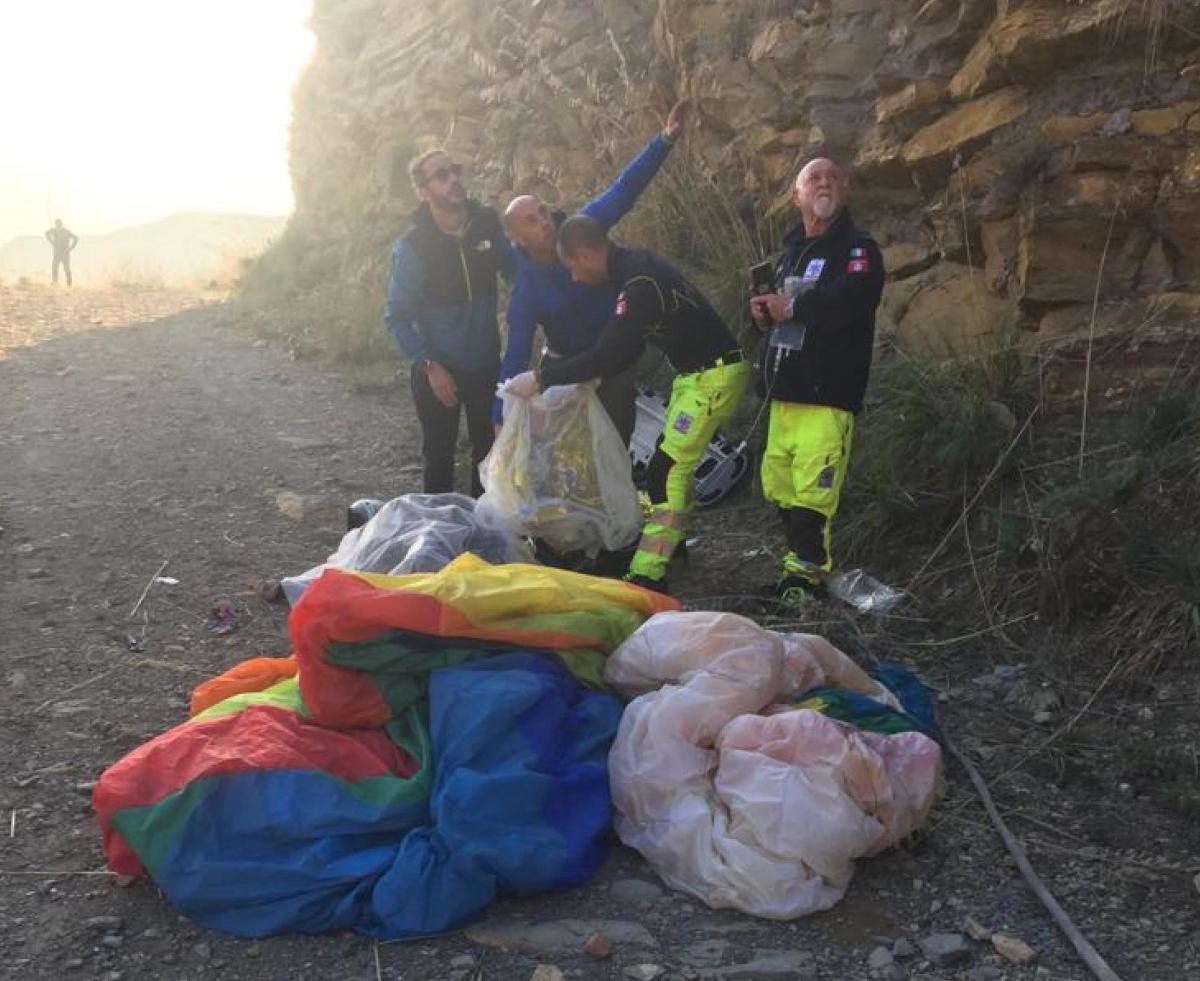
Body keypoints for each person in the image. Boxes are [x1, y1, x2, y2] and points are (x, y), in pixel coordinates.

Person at [507, 216, 750, 594]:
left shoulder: (637, 285)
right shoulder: (634, 268)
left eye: (571, 267)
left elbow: (609, 351)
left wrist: (542, 378)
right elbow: (629, 346)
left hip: (712, 378)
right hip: (697, 377)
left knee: (664, 472)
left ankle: (648, 574)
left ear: (586, 255)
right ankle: (673, 545)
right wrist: (591, 377)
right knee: (673, 468)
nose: (572, 277)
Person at [497, 100, 688, 445]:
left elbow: (623, 191)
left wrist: (664, 140)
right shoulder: (526, 288)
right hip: (565, 371)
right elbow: (516, 351)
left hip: (614, 362)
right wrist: (501, 415)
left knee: (617, 443)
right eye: (531, 221)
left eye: (542, 212)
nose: (543, 222)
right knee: (572, 456)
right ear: (516, 237)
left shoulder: (579, 229)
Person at [749, 158, 884, 606]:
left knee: (813, 495)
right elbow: (776, 318)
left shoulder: (858, 248)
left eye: (832, 177)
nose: (824, 183)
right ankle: (797, 571)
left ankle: (806, 582)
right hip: (784, 395)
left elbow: (854, 299)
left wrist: (793, 307)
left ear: (843, 191)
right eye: (813, 178)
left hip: (828, 394)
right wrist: (761, 315)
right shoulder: (788, 253)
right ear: (797, 196)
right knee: (781, 488)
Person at [384, 149, 514, 496]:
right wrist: (429, 365)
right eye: (441, 175)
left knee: (488, 457)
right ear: (424, 190)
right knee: (439, 458)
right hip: (437, 369)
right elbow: (396, 315)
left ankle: (483, 539)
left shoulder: (486, 223)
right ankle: (437, 539)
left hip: (485, 365)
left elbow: (516, 270)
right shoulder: (414, 245)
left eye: (454, 170)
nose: (453, 179)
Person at [45, 219, 78, 287]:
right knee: (55, 268)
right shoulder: (54, 230)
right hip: (58, 253)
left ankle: (68, 284)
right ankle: (55, 283)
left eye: (58, 224)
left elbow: (76, 238)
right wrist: (51, 241)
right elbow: (46, 233)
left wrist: (71, 248)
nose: (58, 226)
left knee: (66, 268)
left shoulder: (66, 231)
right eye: (57, 224)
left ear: (60, 224)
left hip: (64, 253)